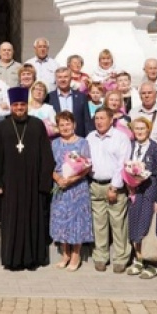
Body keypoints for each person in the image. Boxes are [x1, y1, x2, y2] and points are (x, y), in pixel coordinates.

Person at [0, 86, 56, 271]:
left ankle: (32, 259)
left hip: (33, 185)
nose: (19, 108)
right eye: (16, 105)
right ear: (11, 106)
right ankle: (12, 260)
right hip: (10, 185)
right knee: (12, 223)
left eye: (22, 105)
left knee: (32, 221)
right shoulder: (2, 127)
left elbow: (46, 156)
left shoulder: (37, 125)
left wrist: (44, 185)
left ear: (27, 105)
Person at [86, 107, 132, 273]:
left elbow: (123, 164)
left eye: (102, 118)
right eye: (96, 118)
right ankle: (101, 256)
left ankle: (121, 257)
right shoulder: (90, 137)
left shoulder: (121, 138)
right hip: (95, 185)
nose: (99, 121)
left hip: (114, 186)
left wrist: (114, 186)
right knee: (99, 225)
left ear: (111, 119)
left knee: (118, 224)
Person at [49, 112, 93, 271]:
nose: (65, 127)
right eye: (61, 124)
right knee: (62, 220)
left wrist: (71, 179)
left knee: (77, 221)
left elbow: (87, 166)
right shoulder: (54, 144)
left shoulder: (82, 143)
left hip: (78, 187)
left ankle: (76, 254)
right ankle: (65, 253)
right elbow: (49, 165)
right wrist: (59, 179)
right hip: (60, 187)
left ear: (74, 125)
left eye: (68, 124)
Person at [125, 118, 157, 279]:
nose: (140, 131)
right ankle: (139, 259)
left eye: (143, 128)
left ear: (148, 130)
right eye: (137, 129)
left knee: (148, 226)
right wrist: (130, 186)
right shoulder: (131, 146)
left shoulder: (155, 148)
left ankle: (152, 263)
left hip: (150, 190)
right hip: (135, 192)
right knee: (134, 224)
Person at [48, 67, 92, 138]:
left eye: (66, 77)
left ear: (71, 78)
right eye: (59, 77)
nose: (63, 80)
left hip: (78, 139)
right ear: (55, 79)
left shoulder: (81, 97)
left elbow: (87, 121)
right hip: (57, 140)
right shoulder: (49, 98)